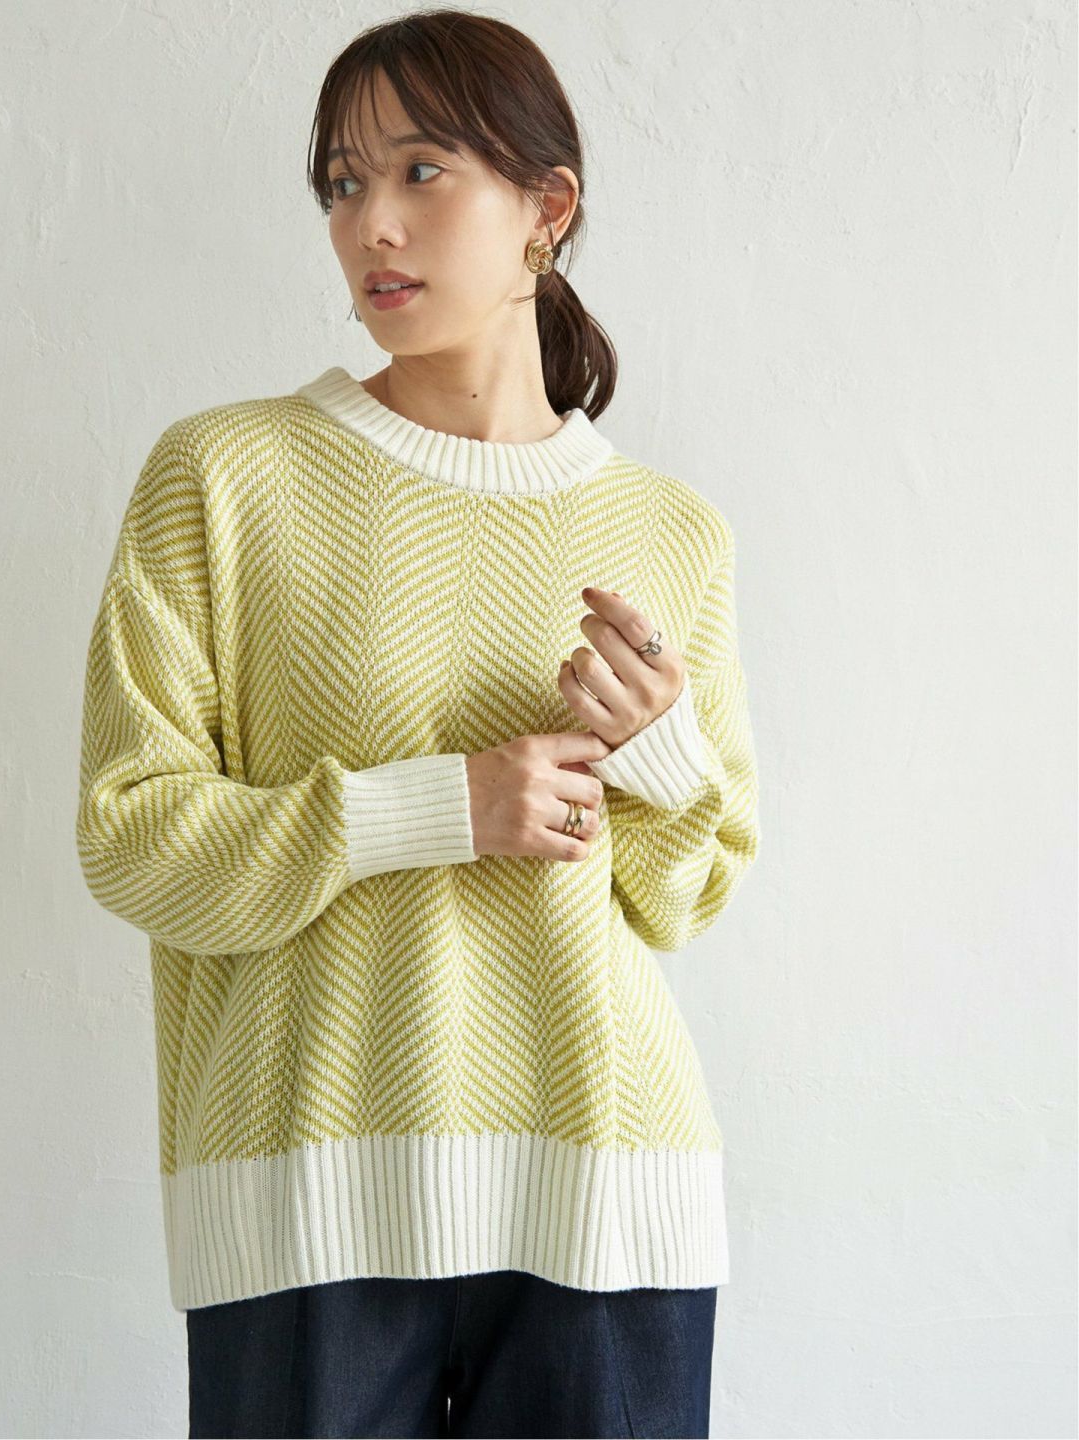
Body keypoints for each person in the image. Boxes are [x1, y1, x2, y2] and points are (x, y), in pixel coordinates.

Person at [74, 9, 761, 1438]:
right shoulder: (225, 477)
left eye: (420, 171)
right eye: (341, 183)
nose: (369, 225)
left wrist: (662, 758)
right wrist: (441, 806)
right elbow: (131, 837)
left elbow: (686, 894)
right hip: (304, 1190)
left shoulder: (671, 531)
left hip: (607, 1193)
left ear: (546, 210)